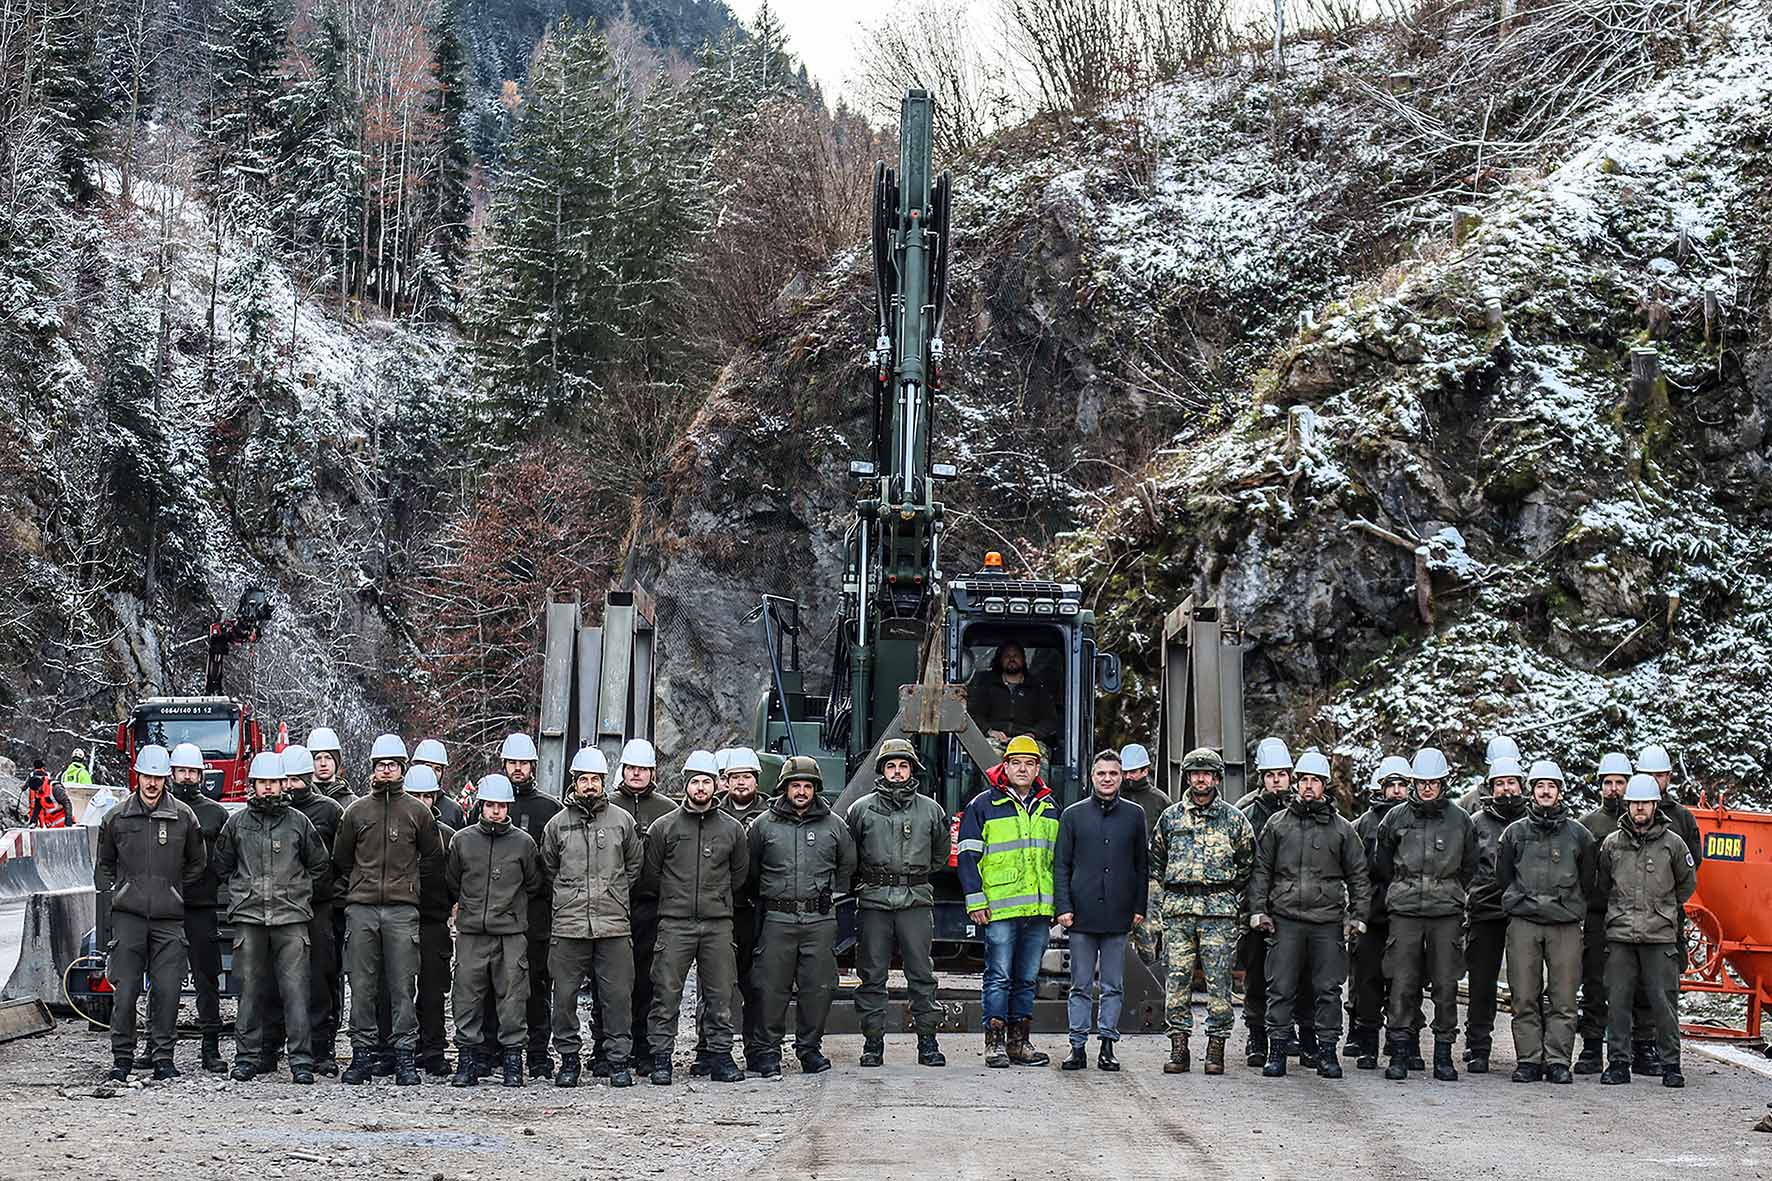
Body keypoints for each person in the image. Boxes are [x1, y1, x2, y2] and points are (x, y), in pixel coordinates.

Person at [1249, 750, 1370, 1079]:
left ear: (1325, 786)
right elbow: (1262, 871)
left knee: (1328, 989)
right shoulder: (1277, 825)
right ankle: (1277, 1051)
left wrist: (1358, 916)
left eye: (1315, 781)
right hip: (1285, 919)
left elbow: (1358, 874)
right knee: (1280, 987)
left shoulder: (1342, 830)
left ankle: (1327, 1052)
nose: (1307, 786)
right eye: (1303, 780)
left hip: (1327, 921)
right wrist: (1258, 910)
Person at [332, 734, 443, 1085]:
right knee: (362, 986)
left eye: (393, 765)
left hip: (401, 910)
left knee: (401, 985)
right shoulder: (356, 811)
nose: (387, 771)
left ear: (403, 769)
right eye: (381, 765)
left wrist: (409, 886)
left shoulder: (418, 812)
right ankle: (362, 1056)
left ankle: (405, 1057)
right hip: (362, 909)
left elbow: (433, 857)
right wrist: (362, 886)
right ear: (373, 770)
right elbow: (341, 858)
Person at [212, 752, 329, 1084]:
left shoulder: (298, 823)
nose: (268, 789)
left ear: (283, 785)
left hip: (291, 920)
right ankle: (246, 1058)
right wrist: (243, 888)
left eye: (274, 783)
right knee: (249, 992)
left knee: (296, 992)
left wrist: (298, 892)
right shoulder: (237, 823)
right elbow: (221, 864)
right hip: (249, 919)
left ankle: (301, 1061)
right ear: (253, 786)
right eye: (262, 783)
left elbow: (320, 865)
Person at [94, 744, 206, 1081]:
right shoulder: (116, 817)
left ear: (166, 778)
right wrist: (125, 890)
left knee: (168, 990)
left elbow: (197, 863)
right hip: (128, 917)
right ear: (137, 776)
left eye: (158, 777)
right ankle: (122, 1059)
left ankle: (163, 1058)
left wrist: (169, 888)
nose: (152, 783)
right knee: (125, 990)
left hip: (168, 918)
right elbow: (104, 866)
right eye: (147, 776)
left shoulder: (184, 816)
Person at [642, 750, 749, 1085]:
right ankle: (661, 1059)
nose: (700, 788)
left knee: (720, 994)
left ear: (716, 785)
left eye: (705, 781)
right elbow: (651, 873)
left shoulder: (732, 829)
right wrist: (677, 899)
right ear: (685, 784)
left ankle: (720, 1057)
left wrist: (714, 898)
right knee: (666, 992)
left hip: (717, 924)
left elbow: (740, 874)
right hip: (674, 923)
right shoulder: (665, 827)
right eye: (694, 782)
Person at [750, 755, 857, 1077]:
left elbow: (847, 865)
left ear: (816, 789)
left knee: (819, 987)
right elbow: (751, 868)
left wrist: (827, 896)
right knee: (770, 988)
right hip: (777, 919)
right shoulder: (763, 825)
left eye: (807, 785)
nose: (801, 791)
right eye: (795, 785)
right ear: (784, 788)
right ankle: (768, 1052)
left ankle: (809, 1050)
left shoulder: (834, 825)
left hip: (819, 920)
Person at [543, 745, 642, 1089]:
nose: (589, 785)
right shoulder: (557, 825)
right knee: (565, 996)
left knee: (617, 997)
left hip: (613, 924)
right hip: (569, 926)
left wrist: (613, 895)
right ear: (574, 782)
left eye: (595, 780)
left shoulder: (622, 821)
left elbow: (634, 866)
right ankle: (569, 1059)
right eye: (583, 779)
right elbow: (548, 868)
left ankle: (617, 1061)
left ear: (603, 782)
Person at [847, 738, 951, 1069]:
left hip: (916, 900)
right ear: (881, 770)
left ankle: (928, 1041)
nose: (897, 772)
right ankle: (873, 1043)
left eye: (903, 765)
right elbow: (850, 855)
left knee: (921, 974)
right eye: (890, 766)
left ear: (912, 770)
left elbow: (938, 854)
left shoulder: (931, 810)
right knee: (872, 974)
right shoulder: (861, 809)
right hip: (875, 901)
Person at [1375, 746, 1477, 1082]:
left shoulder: (1460, 819)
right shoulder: (1396, 817)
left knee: (1446, 986)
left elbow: (1470, 865)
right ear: (1413, 782)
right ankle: (1401, 1052)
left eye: (1434, 782)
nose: (1428, 788)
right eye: (1421, 782)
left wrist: (1448, 890)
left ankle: (1444, 1054)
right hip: (1405, 911)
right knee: (1403, 983)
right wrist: (1404, 889)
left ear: (1444, 782)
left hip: (1445, 912)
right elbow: (1383, 862)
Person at [1146, 747, 1249, 1075]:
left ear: (1217, 778)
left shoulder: (1234, 819)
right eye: (1195, 773)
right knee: (1177, 981)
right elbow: (1156, 859)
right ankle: (1179, 1048)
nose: (1201, 779)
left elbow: (1247, 862)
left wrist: (1225, 890)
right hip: (1179, 911)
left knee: (1219, 983)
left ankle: (1215, 1049)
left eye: (1207, 773)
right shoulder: (1172, 817)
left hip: (1218, 912)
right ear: (1187, 778)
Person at [958, 734, 1057, 1069]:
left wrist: (1056, 904)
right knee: (999, 975)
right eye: (1016, 763)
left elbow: (1056, 861)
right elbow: (968, 856)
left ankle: (1020, 1042)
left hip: (1038, 910)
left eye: (1029, 764)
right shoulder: (983, 805)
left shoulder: (1049, 808)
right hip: (999, 907)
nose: (1023, 769)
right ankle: (995, 1044)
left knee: (1028, 977)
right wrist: (975, 901)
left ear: (1037, 768)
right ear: (1006, 765)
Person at [1497, 760, 1596, 1084]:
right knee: (1524, 994)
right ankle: (1528, 1059)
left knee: (1564, 996)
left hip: (1565, 924)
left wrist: (1571, 905)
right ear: (1532, 791)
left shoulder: (1579, 835)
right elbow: (1504, 875)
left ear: (1560, 792)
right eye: (1540, 786)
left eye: (1551, 786)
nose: (1545, 791)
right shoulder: (1515, 833)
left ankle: (1556, 1060)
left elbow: (1589, 878)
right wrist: (1518, 900)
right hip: (1524, 921)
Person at [1597, 774, 1696, 1088]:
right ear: (1627, 805)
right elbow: (1602, 884)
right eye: (1635, 803)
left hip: (1659, 936)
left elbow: (1686, 884)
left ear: (1655, 805)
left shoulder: (1673, 844)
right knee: (1618, 1001)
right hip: (1621, 935)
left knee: (1664, 1002)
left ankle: (1671, 1065)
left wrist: (1661, 909)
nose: (1640, 808)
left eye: (1645, 803)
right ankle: (1617, 1063)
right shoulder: (1612, 843)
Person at [446, 773, 543, 1088]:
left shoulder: (524, 843)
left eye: (502, 806)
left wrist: (510, 910)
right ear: (480, 806)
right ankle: (467, 1061)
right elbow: (452, 881)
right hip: (472, 931)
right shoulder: (462, 841)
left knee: (513, 995)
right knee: (466, 995)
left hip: (510, 933)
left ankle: (513, 1060)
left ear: (509, 808)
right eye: (490, 805)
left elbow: (533, 882)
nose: (496, 811)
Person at [481, 732, 560, 1079]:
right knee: (491, 982)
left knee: (537, 984)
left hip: (536, 912)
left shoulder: (549, 808)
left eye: (523, 763)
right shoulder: (486, 805)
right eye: (512, 762)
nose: (518, 768)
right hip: (496, 912)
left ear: (533, 766)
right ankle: (492, 1050)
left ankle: (538, 1053)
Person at [693, 746, 770, 1074]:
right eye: (734, 777)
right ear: (724, 780)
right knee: (712, 984)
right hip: (719, 912)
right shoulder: (710, 812)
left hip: (757, 911)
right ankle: (706, 1049)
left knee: (757, 983)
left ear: (757, 780)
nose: (741, 783)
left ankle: (757, 1049)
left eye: (747, 777)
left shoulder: (772, 814)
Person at [1240, 735, 1313, 1067]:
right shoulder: (1245, 813)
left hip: (1295, 905)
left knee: (1301, 973)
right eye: (1270, 775)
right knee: (1257, 973)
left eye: (1282, 774)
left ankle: (1296, 1033)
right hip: (1257, 905)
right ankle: (1257, 1034)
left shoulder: (1305, 810)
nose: (1276, 781)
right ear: (1261, 777)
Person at [281, 743, 346, 1076]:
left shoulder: (331, 810)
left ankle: (322, 1049)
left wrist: (334, 894)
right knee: (283, 978)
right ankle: (275, 1045)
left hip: (320, 907)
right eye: (286, 780)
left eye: (297, 779)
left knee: (322, 977)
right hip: (282, 908)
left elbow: (343, 858)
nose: (291, 786)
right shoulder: (273, 811)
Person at [612, 737, 675, 1074]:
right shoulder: (608, 805)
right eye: (631, 768)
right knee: (613, 981)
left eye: (643, 769)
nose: (637, 774)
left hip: (652, 905)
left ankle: (646, 1048)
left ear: (653, 772)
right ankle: (608, 1048)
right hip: (614, 905)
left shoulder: (668, 810)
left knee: (650, 980)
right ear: (623, 770)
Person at [1463, 755, 1528, 1074]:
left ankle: (1530, 1051)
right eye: (1500, 784)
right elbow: (1465, 865)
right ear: (1490, 788)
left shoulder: (1532, 820)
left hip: (1525, 913)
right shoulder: (1476, 822)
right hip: (1484, 911)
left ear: (1521, 785)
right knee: (1481, 983)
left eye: (1511, 783)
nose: (1506, 790)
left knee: (1526, 984)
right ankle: (1477, 1046)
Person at [1348, 756, 1413, 1070]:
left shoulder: (1417, 819)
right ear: (1381, 788)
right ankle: (1368, 1042)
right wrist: (1358, 910)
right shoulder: (1364, 824)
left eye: (1402, 785)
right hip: (1374, 913)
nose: (1397, 791)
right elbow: (1356, 871)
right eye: (1392, 786)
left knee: (1408, 979)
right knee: (1368, 979)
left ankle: (1406, 1042)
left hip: (1409, 914)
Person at [168, 742, 229, 1074]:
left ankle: (211, 1048)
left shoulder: (216, 813)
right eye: (182, 772)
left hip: (202, 906)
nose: (187, 778)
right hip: (165, 907)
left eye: (193, 772)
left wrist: (211, 883)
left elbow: (223, 859)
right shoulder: (161, 809)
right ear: (173, 774)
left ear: (201, 775)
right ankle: (156, 1045)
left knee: (207, 977)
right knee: (164, 980)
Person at [1576, 752, 1639, 1075]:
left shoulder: (1642, 823)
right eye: (1608, 783)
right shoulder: (1589, 825)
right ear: (1600, 786)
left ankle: (1631, 1049)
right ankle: (1590, 1048)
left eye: (1620, 783)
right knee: (1594, 982)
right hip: (1598, 915)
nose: (1614, 789)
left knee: (1631, 985)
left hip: (1632, 914)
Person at [403, 765, 457, 1076]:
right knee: (398, 988)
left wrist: (451, 905)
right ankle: (400, 1048)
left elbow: (456, 878)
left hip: (434, 922)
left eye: (428, 795)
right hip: (400, 918)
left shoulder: (447, 837)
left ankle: (433, 1049)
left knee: (433, 990)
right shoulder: (394, 833)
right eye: (416, 795)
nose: (423, 801)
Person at [1119, 742, 1170, 972]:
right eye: (1125, 771)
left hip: (1150, 878)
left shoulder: (1159, 801)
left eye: (1133, 771)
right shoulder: (1113, 795)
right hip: (1118, 875)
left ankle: (1150, 979)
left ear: (1145, 771)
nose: (1128, 776)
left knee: (1148, 934)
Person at [966, 643, 1059, 751]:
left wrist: (1032, 734)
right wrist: (989, 731)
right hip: (994, 740)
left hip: (1029, 741)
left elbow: (1049, 720)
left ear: (1023, 659)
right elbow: (974, 713)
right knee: (985, 754)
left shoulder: (1037, 688)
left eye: (1016, 656)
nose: (1011, 659)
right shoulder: (987, 686)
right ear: (1001, 660)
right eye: (1007, 656)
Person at [413, 739, 465, 830]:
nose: (432, 772)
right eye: (428, 766)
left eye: (437, 769)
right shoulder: (402, 802)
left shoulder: (453, 810)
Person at [307, 727, 356, 803]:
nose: (323, 763)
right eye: (318, 758)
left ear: (336, 761)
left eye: (328, 758)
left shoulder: (352, 802)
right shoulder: (301, 801)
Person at [24, 758, 73, 828]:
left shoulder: (55, 788)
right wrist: (33, 821)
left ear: (40, 785)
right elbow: (37, 808)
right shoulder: (39, 793)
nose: (36, 792)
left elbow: (67, 803)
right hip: (52, 823)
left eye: (37, 790)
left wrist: (68, 821)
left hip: (62, 822)